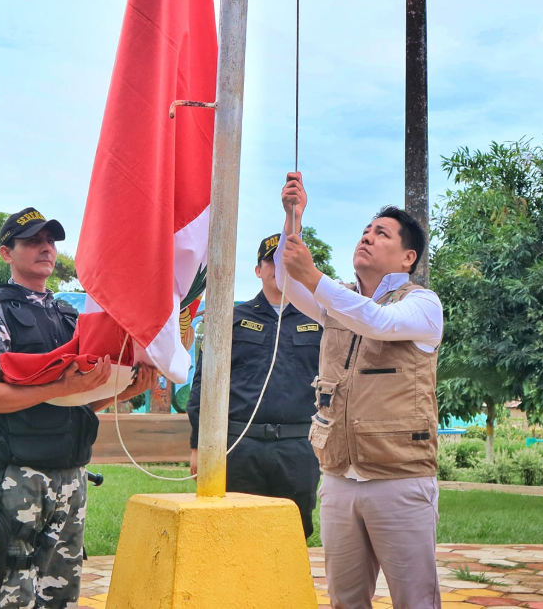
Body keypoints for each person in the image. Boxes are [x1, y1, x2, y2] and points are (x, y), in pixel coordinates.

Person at [0, 207, 158, 609]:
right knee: (9, 596)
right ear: (6, 253)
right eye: (32, 240)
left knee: (61, 598)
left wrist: (126, 389)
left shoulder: (70, 316)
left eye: (50, 241)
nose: (45, 248)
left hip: (72, 477)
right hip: (21, 477)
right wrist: (61, 384)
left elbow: (78, 401)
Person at [276, 172, 444, 609]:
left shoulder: (423, 304)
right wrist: (292, 219)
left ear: (408, 257)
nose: (367, 238)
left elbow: (379, 322)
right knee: (344, 600)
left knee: (415, 601)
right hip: (337, 476)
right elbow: (291, 284)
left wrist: (314, 276)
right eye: (365, 231)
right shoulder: (336, 299)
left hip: (400, 477)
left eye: (381, 233)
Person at [186, 233, 322, 537]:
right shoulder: (230, 318)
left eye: (284, 260)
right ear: (258, 269)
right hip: (239, 446)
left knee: (291, 536)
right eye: (270, 261)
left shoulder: (320, 320)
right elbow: (203, 385)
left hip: (298, 448)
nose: (278, 268)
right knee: (235, 534)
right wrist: (198, 444)